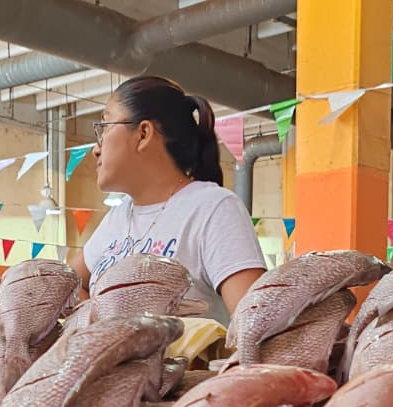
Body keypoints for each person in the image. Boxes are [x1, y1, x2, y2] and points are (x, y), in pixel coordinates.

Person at [69, 75, 266, 324]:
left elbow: (254, 325)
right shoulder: (118, 217)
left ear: (143, 134)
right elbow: (67, 286)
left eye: (105, 127)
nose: (96, 148)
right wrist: (104, 323)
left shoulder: (212, 208)